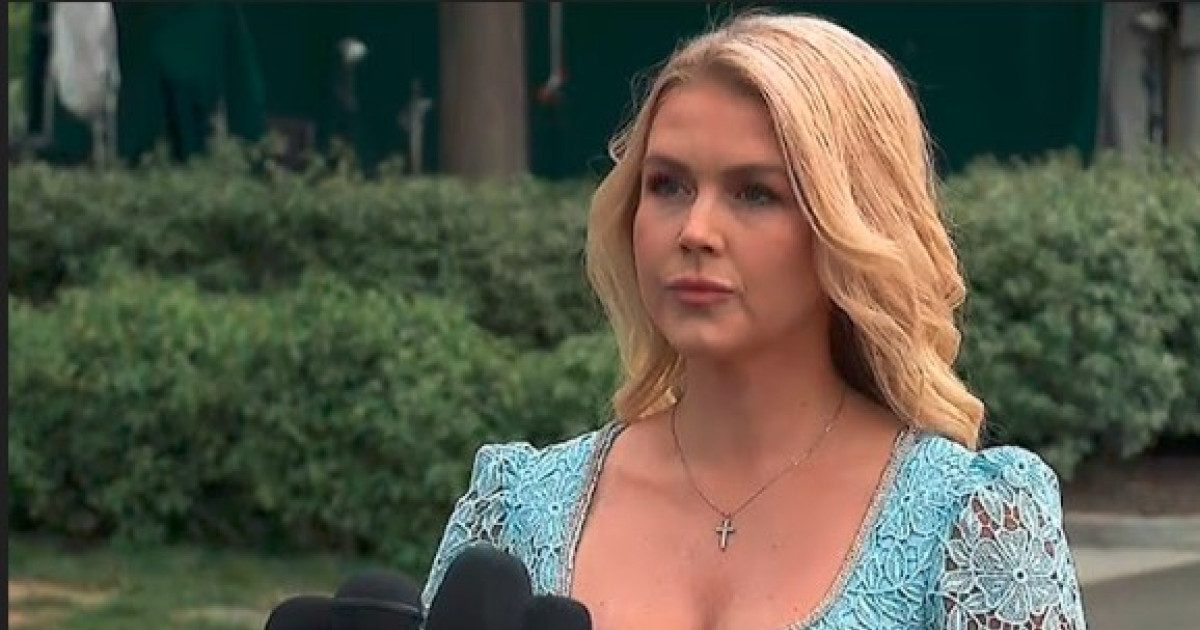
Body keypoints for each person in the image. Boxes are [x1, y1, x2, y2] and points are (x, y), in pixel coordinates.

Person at [422, 11, 1087, 630]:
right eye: (668, 184)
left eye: (755, 193)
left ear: (851, 224)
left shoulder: (969, 523)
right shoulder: (517, 512)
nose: (695, 230)